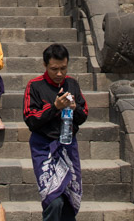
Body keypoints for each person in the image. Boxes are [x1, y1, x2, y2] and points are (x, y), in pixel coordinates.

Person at [23, 43, 88, 221]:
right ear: (45, 66)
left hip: (68, 146)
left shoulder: (72, 84)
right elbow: (30, 119)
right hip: (44, 147)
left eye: (63, 68)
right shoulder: (35, 86)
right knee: (53, 200)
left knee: (68, 200)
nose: (59, 73)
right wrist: (54, 107)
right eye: (54, 69)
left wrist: (75, 108)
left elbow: (83, 115)